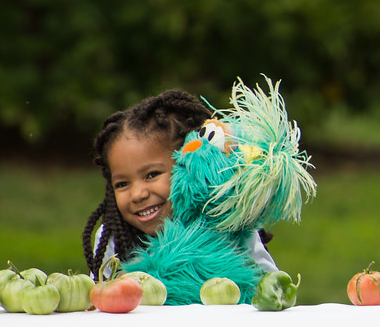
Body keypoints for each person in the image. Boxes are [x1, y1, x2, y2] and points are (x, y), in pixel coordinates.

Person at [81, 89, 277, 280]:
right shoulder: (113, 238)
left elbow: (270, 288)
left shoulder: (228, 225)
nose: (137, 194)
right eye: (122, 183)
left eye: (152, 175)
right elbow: (98, 302)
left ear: (188, 164)